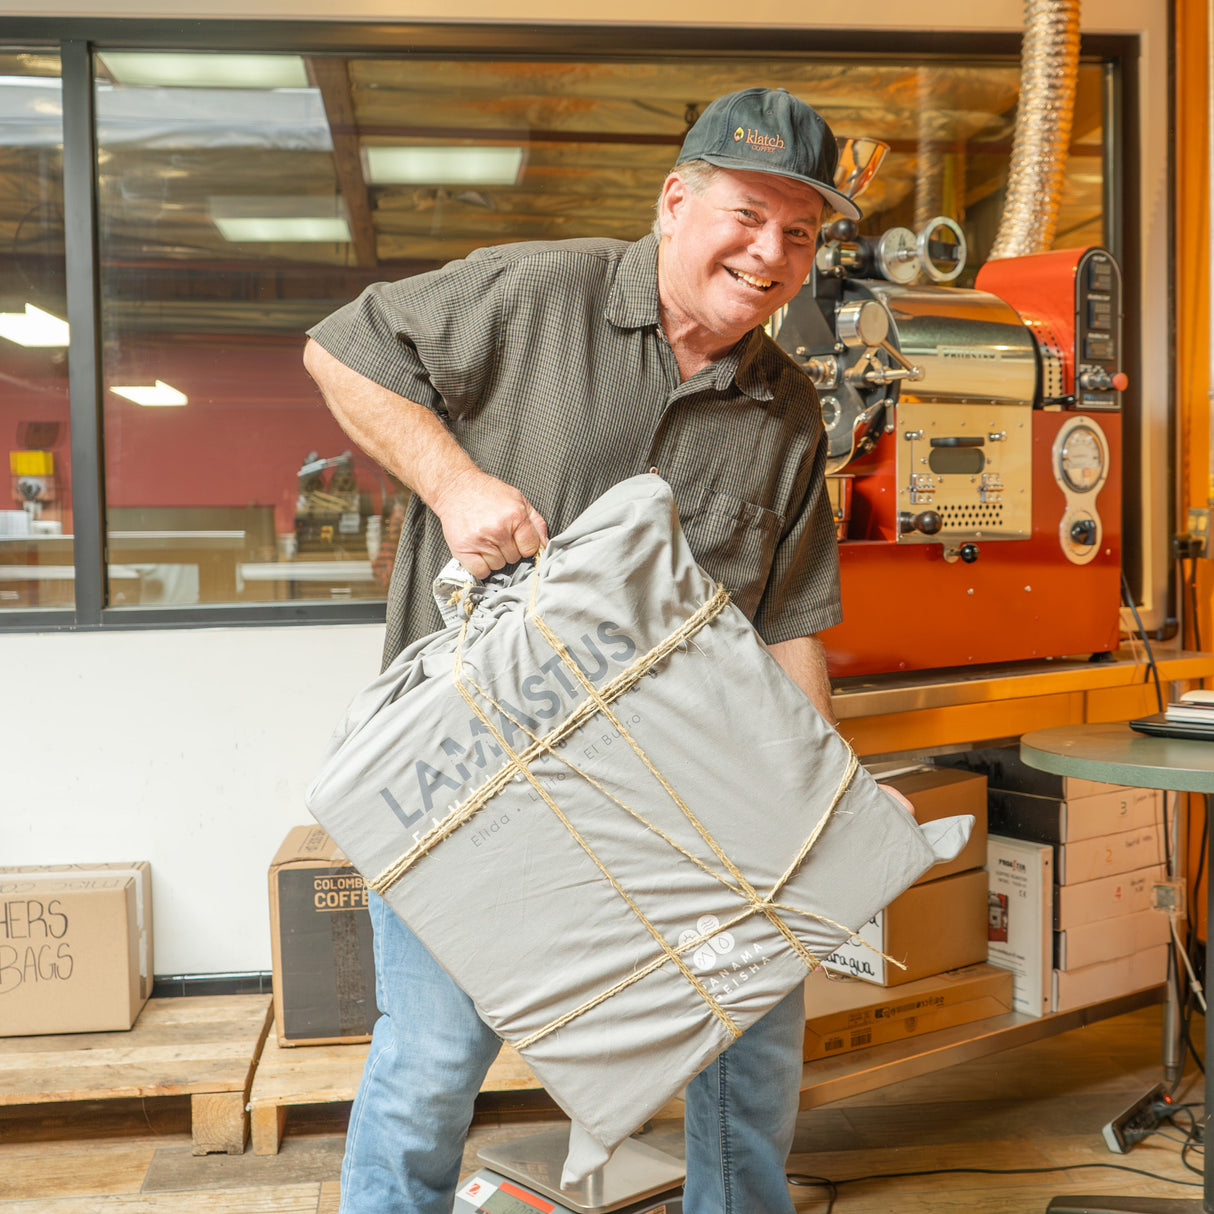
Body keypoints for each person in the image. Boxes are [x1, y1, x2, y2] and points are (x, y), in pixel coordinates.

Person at [304, 85, 860, 1214]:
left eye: (798, 234)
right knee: (432, 1066)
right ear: (673, 201)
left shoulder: (786, 407)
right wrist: (454, 485)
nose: (769, 253)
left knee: (751, 1048)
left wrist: (811, 820)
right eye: (747, 215)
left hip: (668, 793)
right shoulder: (534, 295)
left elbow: (791, 613)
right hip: (468, 778)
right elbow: (340, 349)